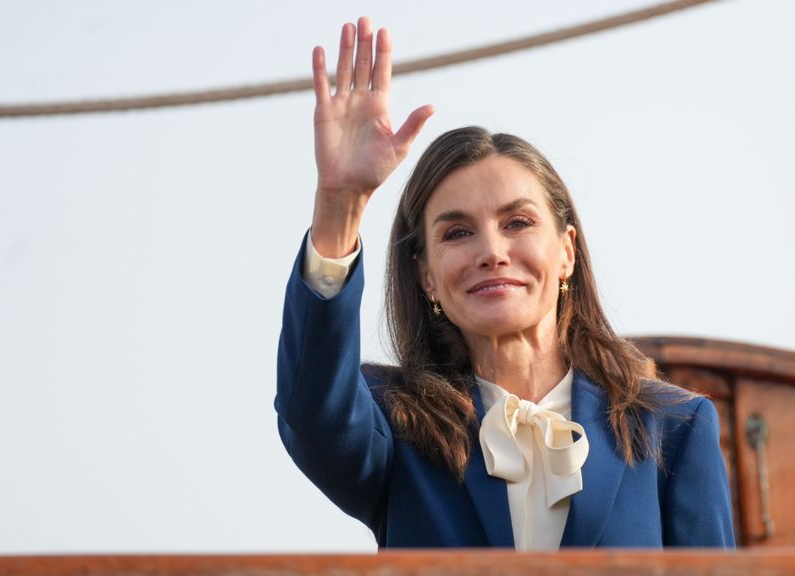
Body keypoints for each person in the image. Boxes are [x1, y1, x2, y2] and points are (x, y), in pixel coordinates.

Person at [275, 17, 734, 549]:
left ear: (566, 252)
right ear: (426, 276)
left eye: (517, 223)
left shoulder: (673, 428)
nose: (492, 252)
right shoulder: (392, 422)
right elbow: (313, 413)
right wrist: (339, 204)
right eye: (458, 233)